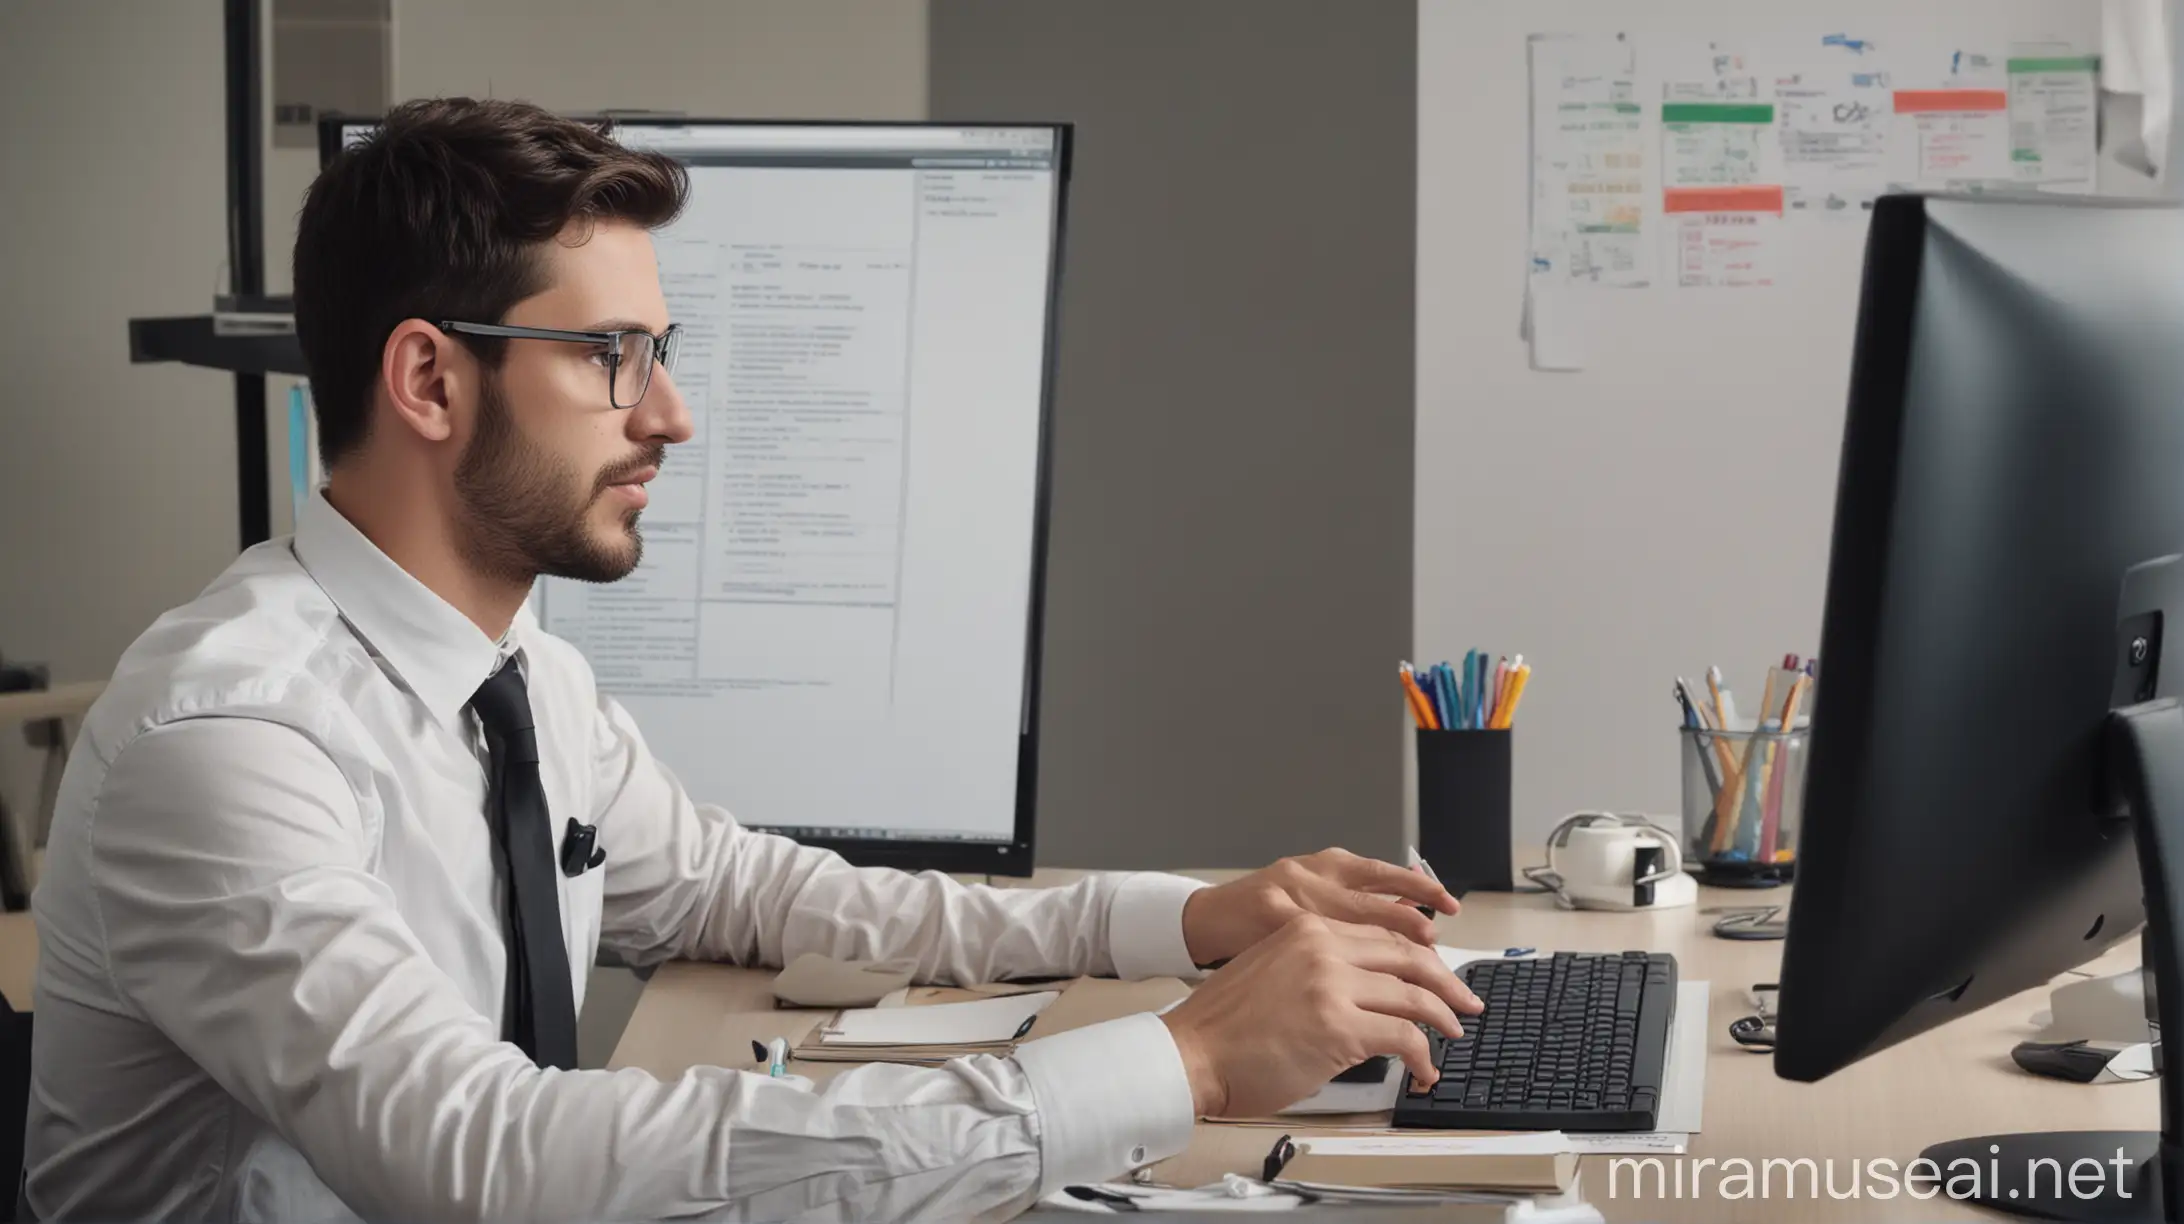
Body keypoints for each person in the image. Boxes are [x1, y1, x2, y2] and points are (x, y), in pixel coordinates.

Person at [23, 97, 1482, 1223]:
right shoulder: (225, 741)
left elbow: (745, 892)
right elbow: (487, 1161)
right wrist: (1188, 1064)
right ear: (426, 379)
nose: (672, 417)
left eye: (663, 351)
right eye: (613, 358)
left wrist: (1186, 921)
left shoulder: (512, 668)